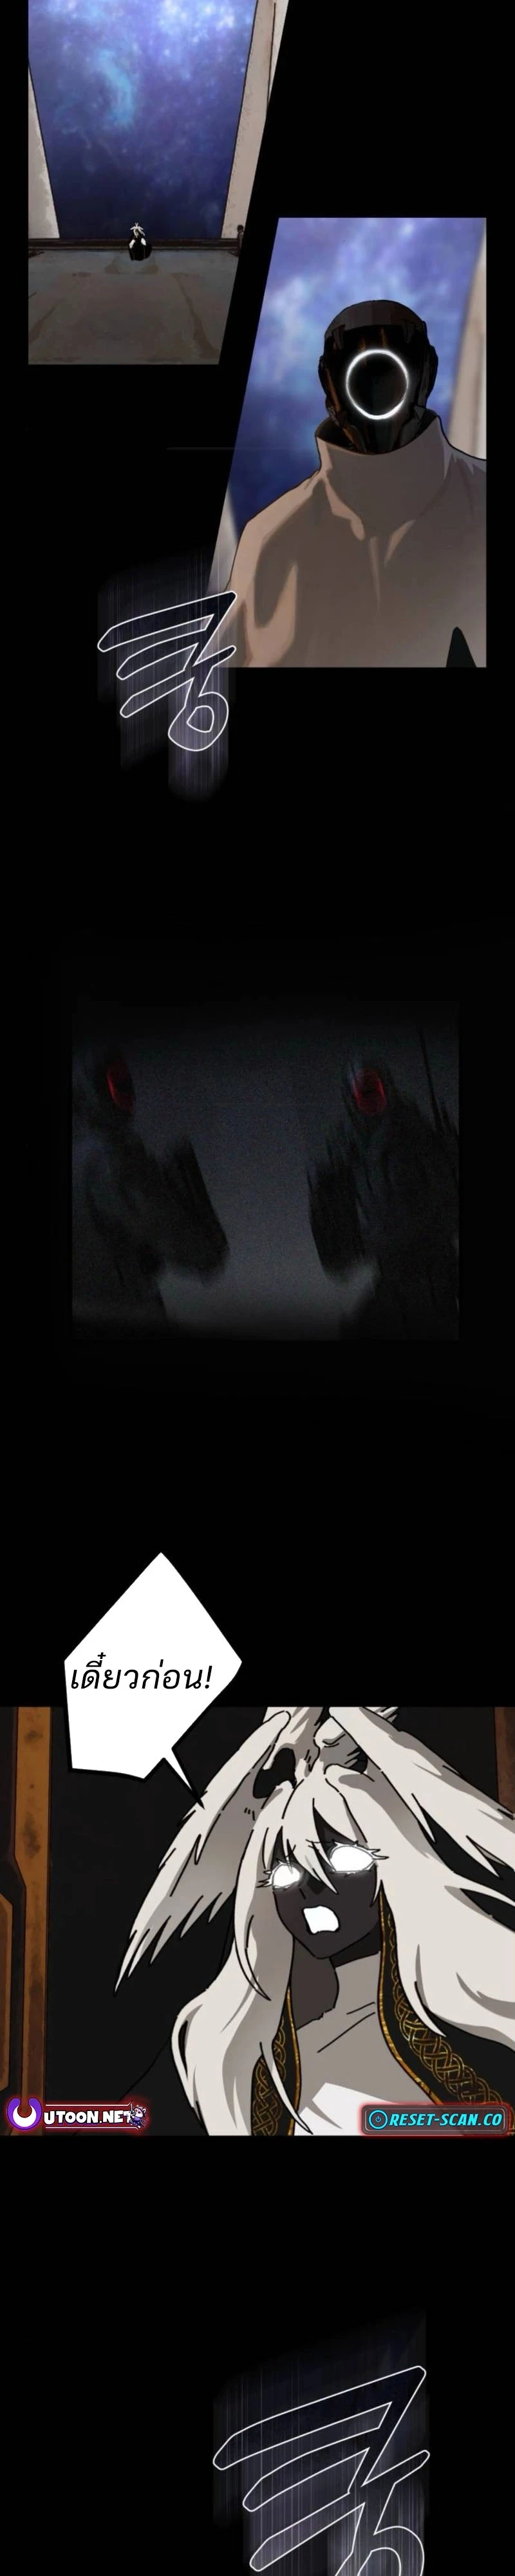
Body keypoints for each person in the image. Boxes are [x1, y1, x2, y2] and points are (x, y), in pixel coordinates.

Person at [117, 1705, 515, 2135]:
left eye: (344, 1863)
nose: (312, 1891)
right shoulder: (224, 2048)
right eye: (288, 1875)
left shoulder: (466, 2019)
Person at [226, 299, 485, 667]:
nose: (377, 390)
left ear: (428, 371)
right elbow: (215, 688)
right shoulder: (270, 540)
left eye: (387, 370)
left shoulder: (271, 536)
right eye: (363, 373)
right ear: (327, 381)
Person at [72, 1050, 228, 1321]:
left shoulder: (92, 1156)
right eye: (118, 1083)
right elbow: (199, 1252)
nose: (128, 1092)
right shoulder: (111, 1159)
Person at [308, 1056, 459, 1336]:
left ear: (386, 1088)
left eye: (373, 1088)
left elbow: (444, 1204)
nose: (369, 1097)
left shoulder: (414, 1135)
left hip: (430, 1270)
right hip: (395, 1273)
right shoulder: (350, 1148)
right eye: (361, 1091)